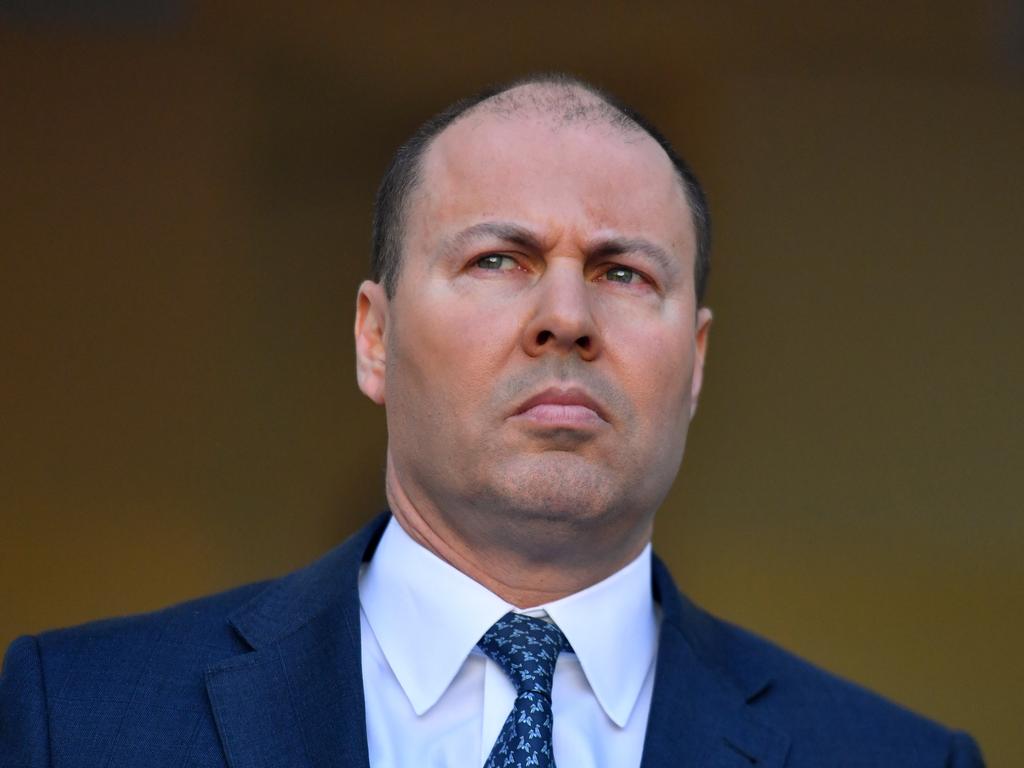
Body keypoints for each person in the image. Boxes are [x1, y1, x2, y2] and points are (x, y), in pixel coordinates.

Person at [0, 74, 984, 768]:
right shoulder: (70, 719)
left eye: (623, 272)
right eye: (497, 260)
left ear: (696, 361)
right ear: (373, 338)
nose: (566, 315)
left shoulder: (897, 758)